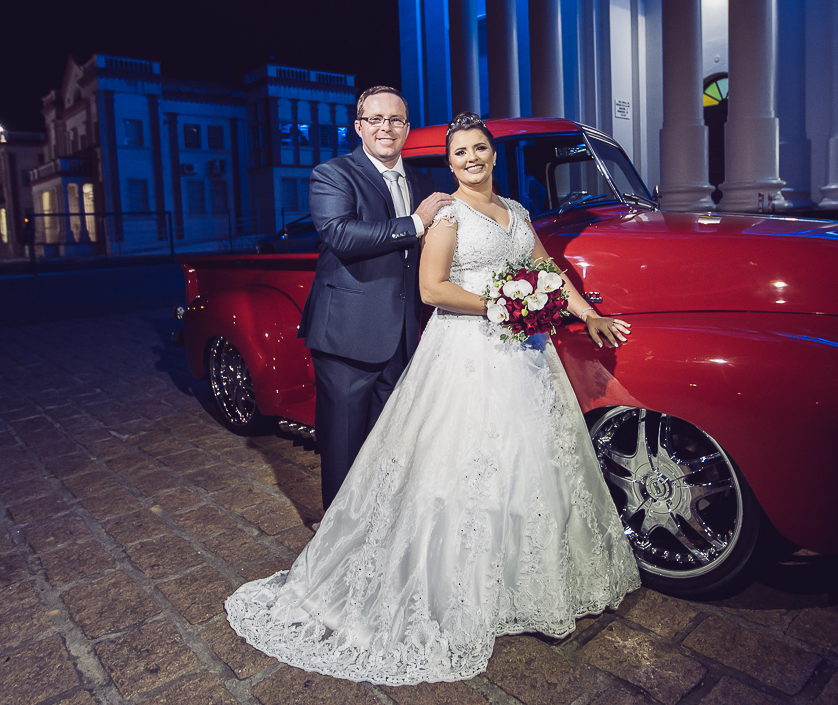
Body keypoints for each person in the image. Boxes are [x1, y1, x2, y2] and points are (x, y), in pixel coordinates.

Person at [226, 112, 640, 684]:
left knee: (530, 459)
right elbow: (431, 288)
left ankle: (531, 580)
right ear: (449, 164)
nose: (472, 159)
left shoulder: (517, 211)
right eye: (460, 153)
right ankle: (459, 582)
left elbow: (543, 267)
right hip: (469, 349)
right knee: (464, 463)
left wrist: (587, 313)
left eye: (479, 149)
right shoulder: (447, 213)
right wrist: (503, 305)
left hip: (525, 355)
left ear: (493, 154)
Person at [297, 85, 454, 511]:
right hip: (347, 334)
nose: (386, 127)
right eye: (376, 119)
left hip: (402, 333)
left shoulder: (423, 182)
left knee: (390, 440)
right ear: (359, 126)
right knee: (344, 443)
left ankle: (380, 523)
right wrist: (415, 223)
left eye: (396, 120)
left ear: (407, 127)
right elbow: (340, 235)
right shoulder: (333, 174)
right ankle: (338, 533)